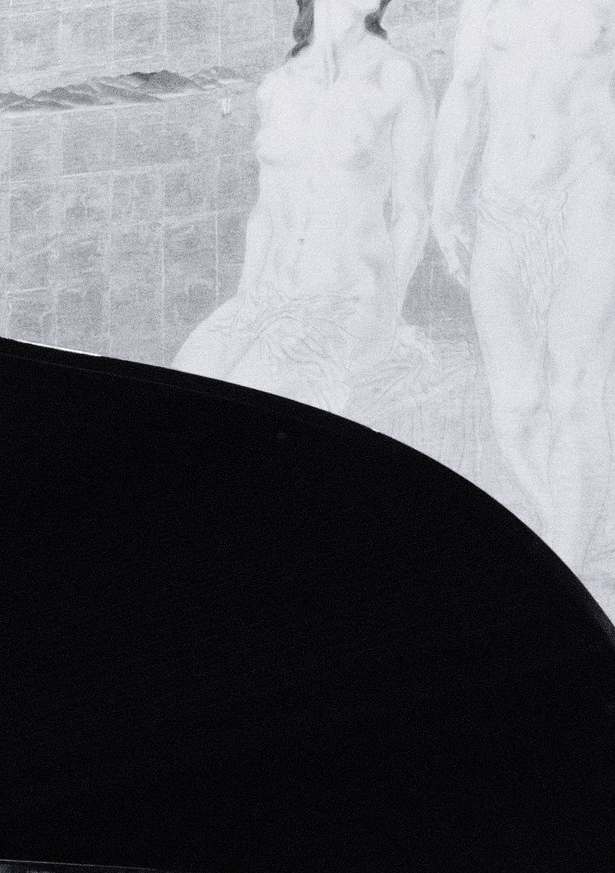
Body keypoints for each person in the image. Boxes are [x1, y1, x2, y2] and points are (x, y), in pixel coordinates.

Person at [169, 0, 431, 419]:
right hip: (269, 296)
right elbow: (265, 213)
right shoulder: (276, 86)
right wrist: (244, 305)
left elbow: (412, 212)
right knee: (176, 387)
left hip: (348, 302)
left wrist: (388, 315)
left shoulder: (397, 77)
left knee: (243, 406)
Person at [431, 0, 615, 570]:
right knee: (514, 409)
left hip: (585, 202)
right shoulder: (482, 5)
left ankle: (566, 566)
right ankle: (577, 542)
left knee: (576, 392)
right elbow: (464, 95)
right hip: (501, 212)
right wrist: (442, 205)